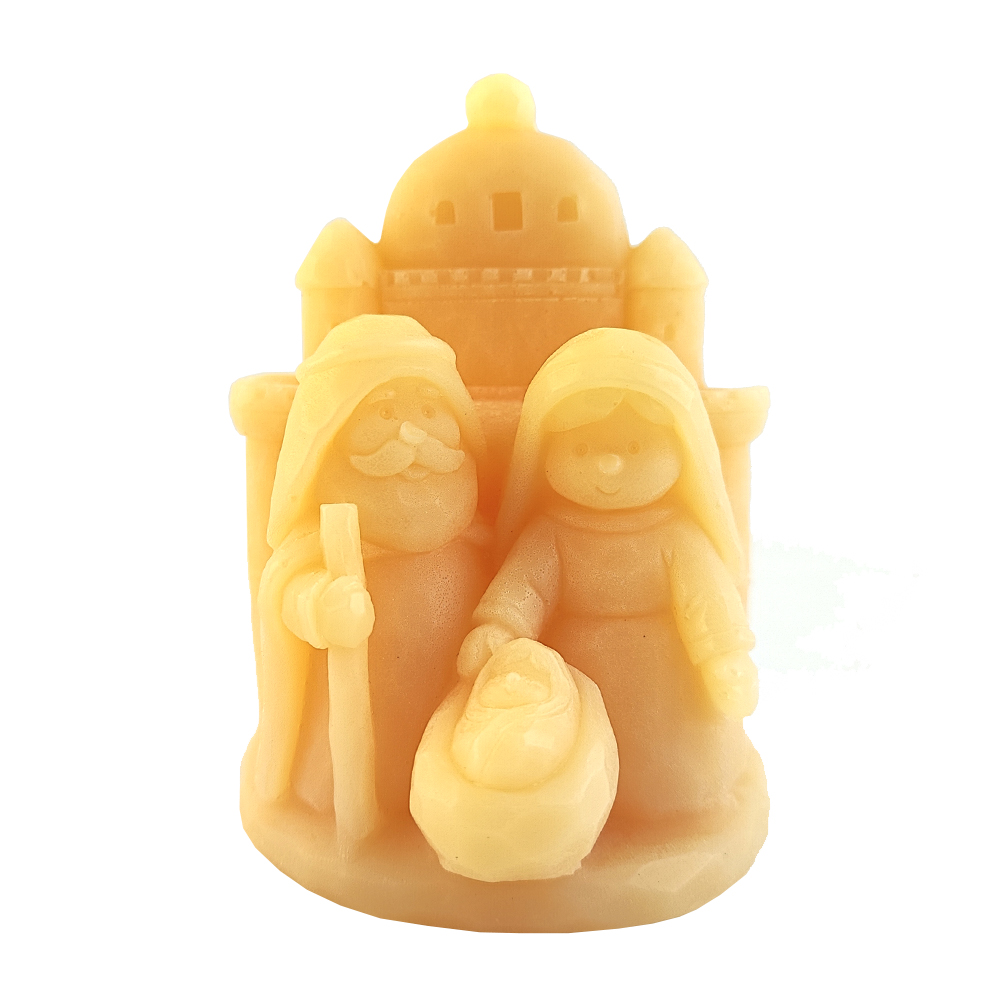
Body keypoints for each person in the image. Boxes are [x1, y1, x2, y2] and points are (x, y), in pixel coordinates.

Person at [458, 327, 758, 822]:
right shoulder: (552, 533)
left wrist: (724, 656)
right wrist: (500, 627)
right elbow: (527, 587)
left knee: (669, 768)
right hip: (576, 674)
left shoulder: (678, 535)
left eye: (635, 447)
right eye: (582, 449)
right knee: (582, 765)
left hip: (666, 681)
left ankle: (675, 811)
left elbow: (706, 599)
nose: (610, 465)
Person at [253, 314, 488, 820]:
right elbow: (287, 588)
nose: (412, 433)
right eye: (382, 413)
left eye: (431, 409)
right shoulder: (327, 544)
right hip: (366, 717)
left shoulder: (473, 537)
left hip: (455, 709)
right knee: (376, 771)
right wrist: (320, 606)